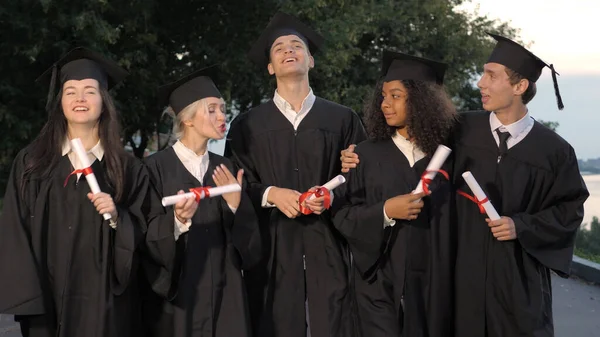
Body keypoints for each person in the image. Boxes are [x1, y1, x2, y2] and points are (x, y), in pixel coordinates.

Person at [0, 47, 166, 337]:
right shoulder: (32, 164)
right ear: (60, 103)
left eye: (90, 91)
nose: (80, 98)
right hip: (46, 303)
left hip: (105, 306)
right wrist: (29, 299)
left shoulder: (128, 169)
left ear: (104, 101)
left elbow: (148, 232)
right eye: (70, 91)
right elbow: (15, 231)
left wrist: (118, 217)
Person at [224, 11, 367, 337]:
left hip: (328, 247)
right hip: (272, 251)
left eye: (296, 45)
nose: (289, 50)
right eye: (279, 48)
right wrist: (271, 194)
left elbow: (361, 178)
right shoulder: (247, 125)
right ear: (271, 67)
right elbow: (234, 187)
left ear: (311, 60)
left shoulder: (343, 120)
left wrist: (332, 194)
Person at [451, 33, 589, 337]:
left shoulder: (553, 151)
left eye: (491, 75)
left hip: (519, 287)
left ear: (519, 86)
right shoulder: (460, 130)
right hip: (462, 283)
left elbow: (569, 211)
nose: (480, 83)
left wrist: (522, 226)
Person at [333, 50, 457, 337]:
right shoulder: (363, 155)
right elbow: (342, 215)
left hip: (433, 287)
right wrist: (386, 211)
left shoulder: (449, 157)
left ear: (421, 101)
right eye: (384, 96)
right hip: (377, 286)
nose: (385, 104)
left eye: (395, 96)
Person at [142, 66, 262, 337]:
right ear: (188, 119)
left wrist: (235, 205)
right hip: (180, 292)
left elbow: (250, 244)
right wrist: (177, 220)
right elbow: (144, 234)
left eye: (222, 109)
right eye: (212, 109)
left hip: (226, 290)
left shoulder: (226, 166)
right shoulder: (154, 168)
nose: (222, 116)